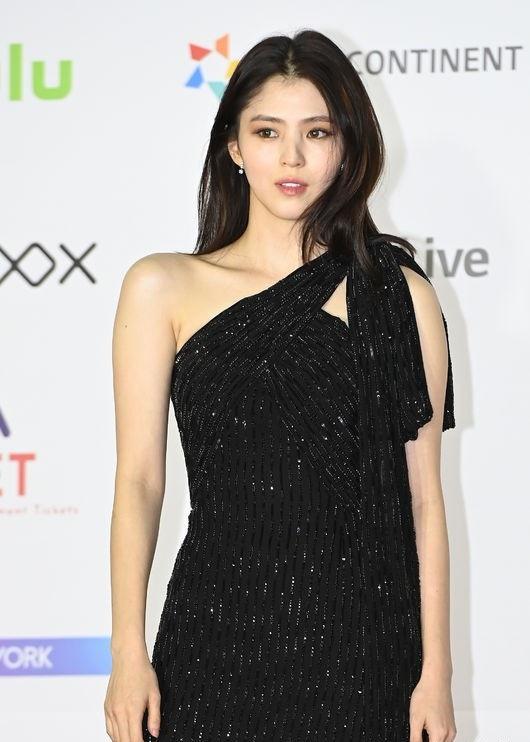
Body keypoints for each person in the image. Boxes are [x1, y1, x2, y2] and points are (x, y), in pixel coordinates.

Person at [104, 29, 457, 742]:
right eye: (268, 132)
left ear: (347, 147)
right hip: (213, 644)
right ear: (234, 147)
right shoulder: (162, 286)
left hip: (367, 655)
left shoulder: (399, 295)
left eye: (316, 132)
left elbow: (424, 502)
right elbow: (139, 481)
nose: (292, 157)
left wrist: (436, 674)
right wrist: (127, 654)